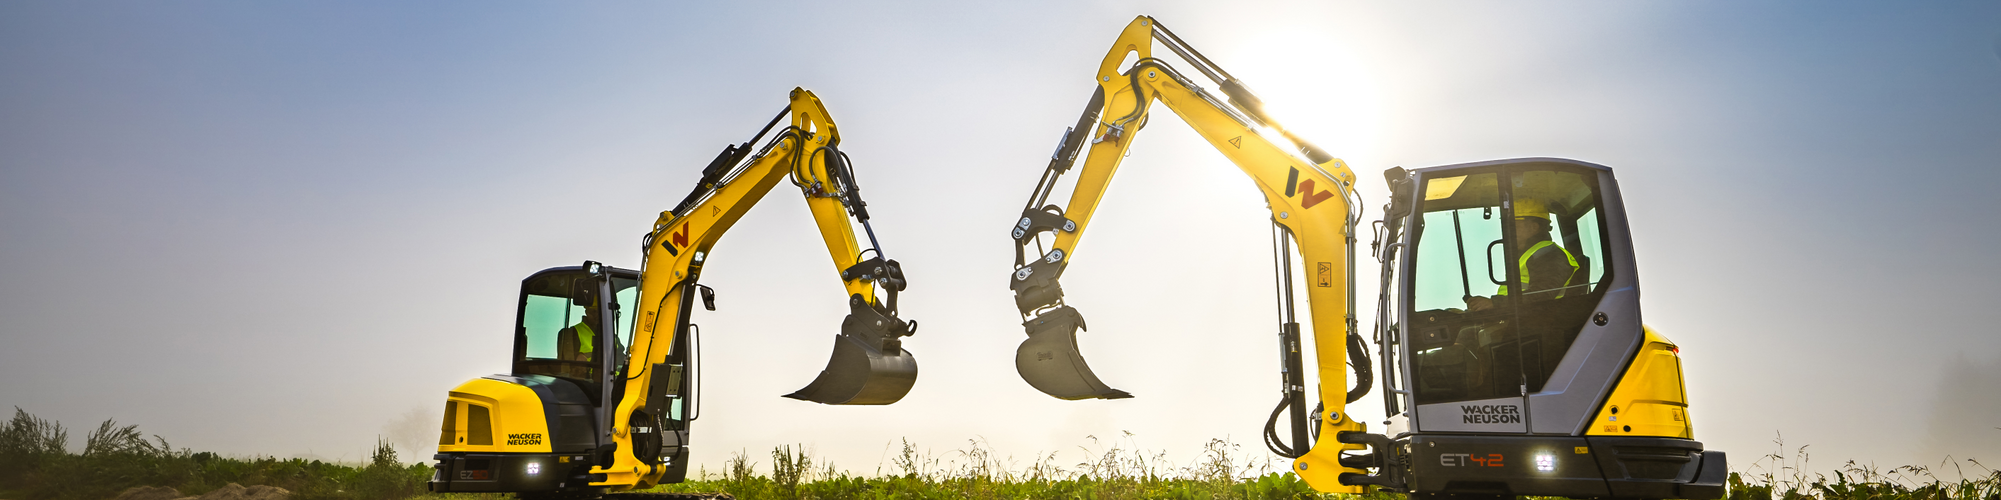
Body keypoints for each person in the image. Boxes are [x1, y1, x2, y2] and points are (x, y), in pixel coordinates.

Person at [1466, 198, 1579, 312]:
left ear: (1533, 227)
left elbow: (1542, 295)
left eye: (1513, 226)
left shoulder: (1550, 256)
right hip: (1520, 317)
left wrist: (1495, 303)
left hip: (1541, 322)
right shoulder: (1530, 255)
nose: (1507, 232)